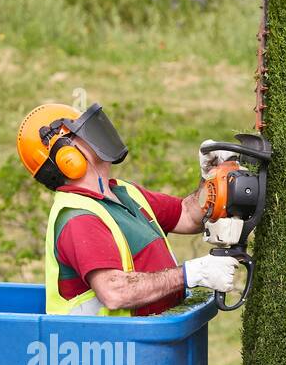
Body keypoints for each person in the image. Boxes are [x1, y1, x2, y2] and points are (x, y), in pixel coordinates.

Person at [16, 102, 236, 316]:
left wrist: (211, 177)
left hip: (147, 341)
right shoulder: (78, 218)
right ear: (66, 157)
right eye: (82, 132)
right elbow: (114, 291)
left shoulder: (124, 192)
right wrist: (192, 274)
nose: (95, 134)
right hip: (110, 349)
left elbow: (188, 215)